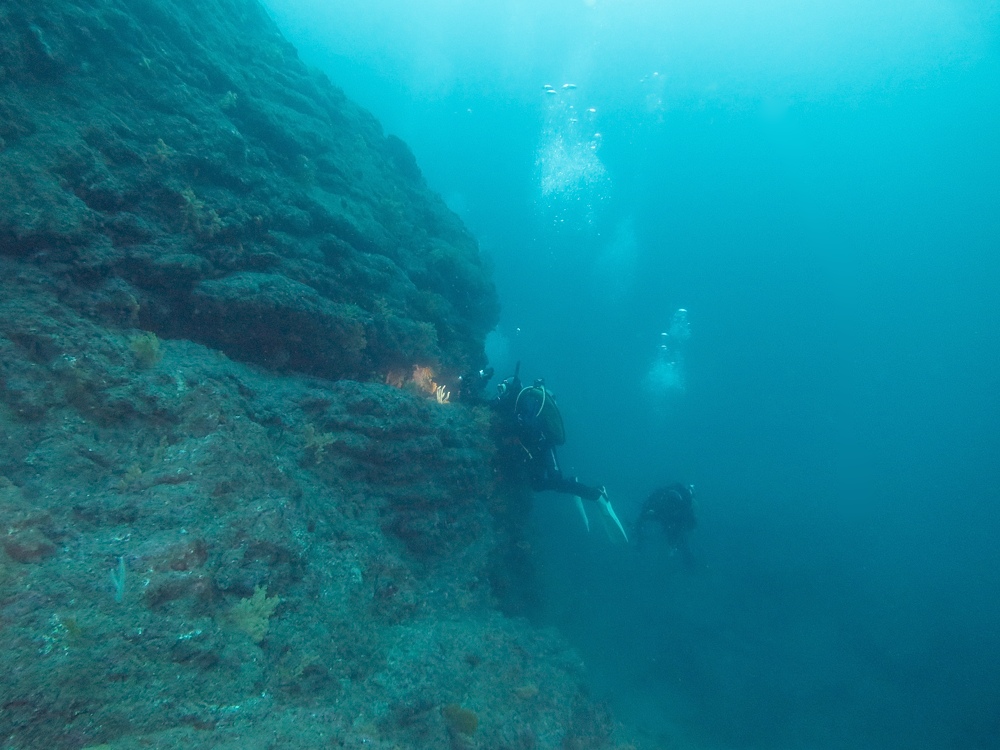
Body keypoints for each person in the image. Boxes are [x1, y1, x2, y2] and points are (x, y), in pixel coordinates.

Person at [483, 363, 629, 542]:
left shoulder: (527, 400)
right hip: (532, 450)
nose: (501, 392)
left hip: (545, 445)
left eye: (503, 388)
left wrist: (514, 423)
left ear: (512, 389)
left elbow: (533, 427)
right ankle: (572, 483)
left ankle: (598, 494)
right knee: (536, 485)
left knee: (556, 480)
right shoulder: (509, 405)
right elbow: (487, 408)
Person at [634, 482, 697, 567]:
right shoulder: (684, 502)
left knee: (677, 539)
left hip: (666, 514)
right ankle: (639, 545)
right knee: (678, 540)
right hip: (665, 515)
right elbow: (691, 524)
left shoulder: (682, 500)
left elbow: (691, 523)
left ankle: (638, 544)